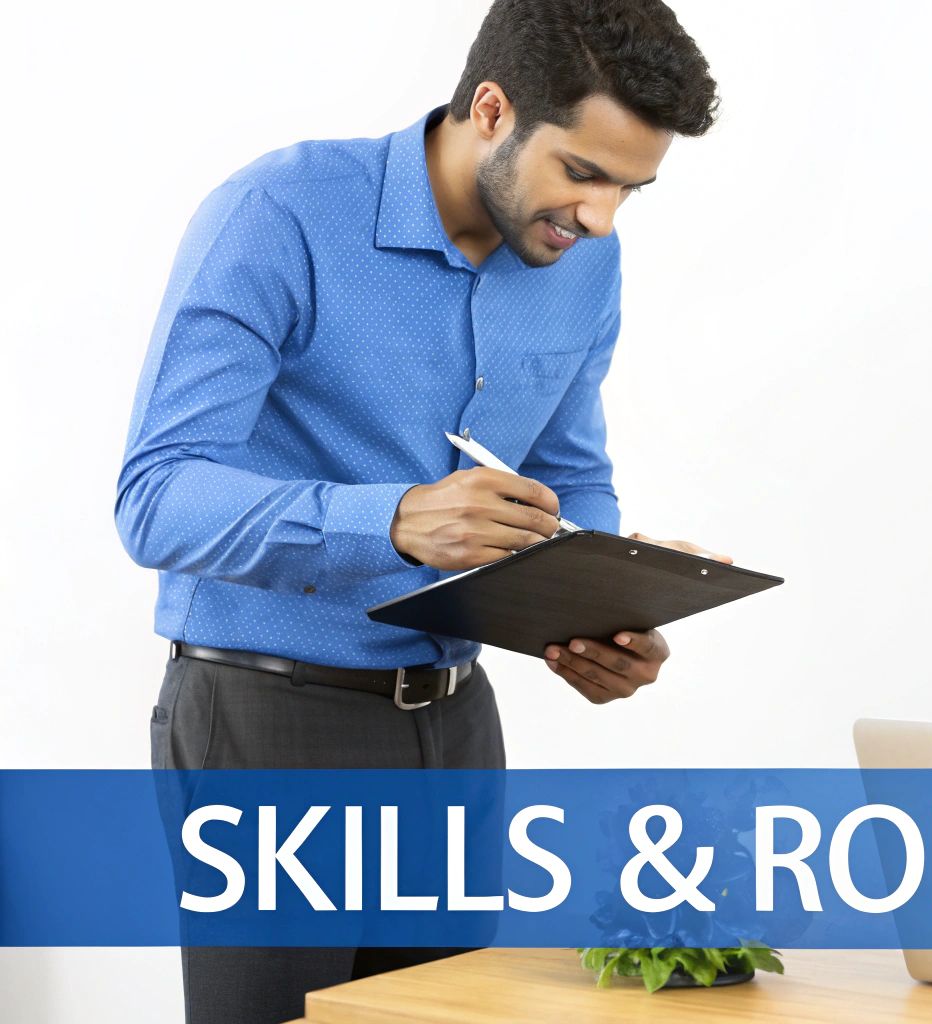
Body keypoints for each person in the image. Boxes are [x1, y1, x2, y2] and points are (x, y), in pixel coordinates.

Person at [114, 2, 722, 1021]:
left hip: (456, 725)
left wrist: (599, 606)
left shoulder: (583, 263)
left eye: (629, 189)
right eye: (583, 173)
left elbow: (567, 478)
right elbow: (156, 495)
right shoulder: (282, 212)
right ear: (491, 110)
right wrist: (390, 521)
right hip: (268, 724)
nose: (602, 219)